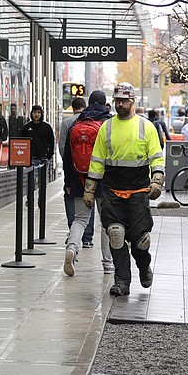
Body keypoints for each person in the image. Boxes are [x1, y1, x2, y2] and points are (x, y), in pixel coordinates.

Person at [85, 82, 165, 297]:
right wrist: (89, 189)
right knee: (116, 234)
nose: (120, 104)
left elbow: (156, 156)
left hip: (139, 190)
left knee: (139, 239)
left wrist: (157, 180)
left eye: (124, 100)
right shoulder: (107, 127)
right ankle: (122, 281)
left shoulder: (146, 127)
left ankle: (143, 265)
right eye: (117, 100)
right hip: (112, 189)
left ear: (132, 101)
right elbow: (97, 160)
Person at [62, 91, 114, 275]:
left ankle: (72, 250)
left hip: (79, 178)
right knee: (107, 222)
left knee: (80, 219)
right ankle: (108, 264)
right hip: (103, 180)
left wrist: (68, 181)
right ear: (105, 104)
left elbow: (67, 156)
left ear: (89, 103)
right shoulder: (108, 123)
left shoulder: (76, 122)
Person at [59, 97, 95, 248]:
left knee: (71, 200)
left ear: (72, 108)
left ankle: (73, 233)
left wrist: (70, 165)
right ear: (84, 107)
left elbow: (62, 147)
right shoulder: (93, 122)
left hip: (73, 169)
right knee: (89, 201)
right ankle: (87, 238)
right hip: (92, 170)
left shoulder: (68, 123)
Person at [21, 104, 55, 186]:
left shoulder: (47, 127)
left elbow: (51, 142)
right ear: (31, 113)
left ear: (41, 114)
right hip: (31, 158)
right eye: (35, 112)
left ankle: (41, 198)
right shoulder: (26, 127)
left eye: (39, 112)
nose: (36, 114)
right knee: (30, 181)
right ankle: (30, 198)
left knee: (42, 181)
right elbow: (22, 142)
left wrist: (49, 155)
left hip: (44, 158)